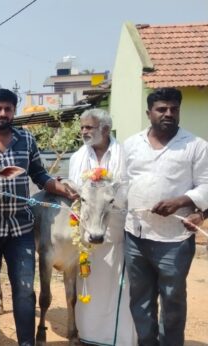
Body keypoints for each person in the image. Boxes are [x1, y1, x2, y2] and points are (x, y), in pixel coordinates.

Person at [0, 89, 77, 346]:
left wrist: (63, 189)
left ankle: (26, 342)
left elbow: (39, 174)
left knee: (24, 287)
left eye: (8, 109)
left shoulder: (26, 140)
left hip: (21, 226)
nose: (3, 113)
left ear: (14, 111)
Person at [123, 87, 208, 345]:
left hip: (175, 238)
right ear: (149, 113)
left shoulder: (196, 146)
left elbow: (206, 184)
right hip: (135, 236)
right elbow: (122, 184)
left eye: (174, 109)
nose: (168, 113)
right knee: (140, 300)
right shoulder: (131, 144)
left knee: (172, 299)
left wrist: (183, 202)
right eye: (162, 109)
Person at [67, 109, 136, 345]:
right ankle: (89, 335)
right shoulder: (78, 157)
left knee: (118, 284)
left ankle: (117, 338)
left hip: (117, 231)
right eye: (83, 127)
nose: (84, 132)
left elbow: (127, 189)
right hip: (87, 232)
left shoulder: (124, 154)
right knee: (88, 281)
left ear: (105, 130)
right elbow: (76, 192)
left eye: (89, 128)